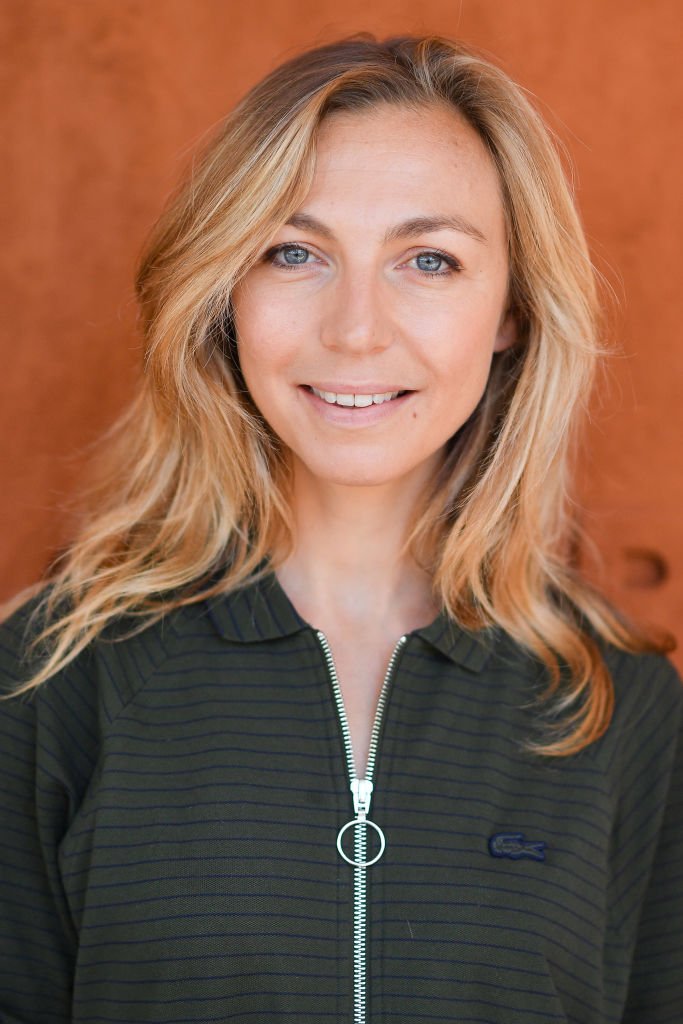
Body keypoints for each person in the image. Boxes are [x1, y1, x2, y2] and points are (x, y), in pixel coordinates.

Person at [1, 31, 681, 1024]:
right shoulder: (54, 675)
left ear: (511, 310)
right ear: (227, 292)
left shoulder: (622, 709)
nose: (355, 328)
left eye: (428, 259)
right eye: (292, 251)